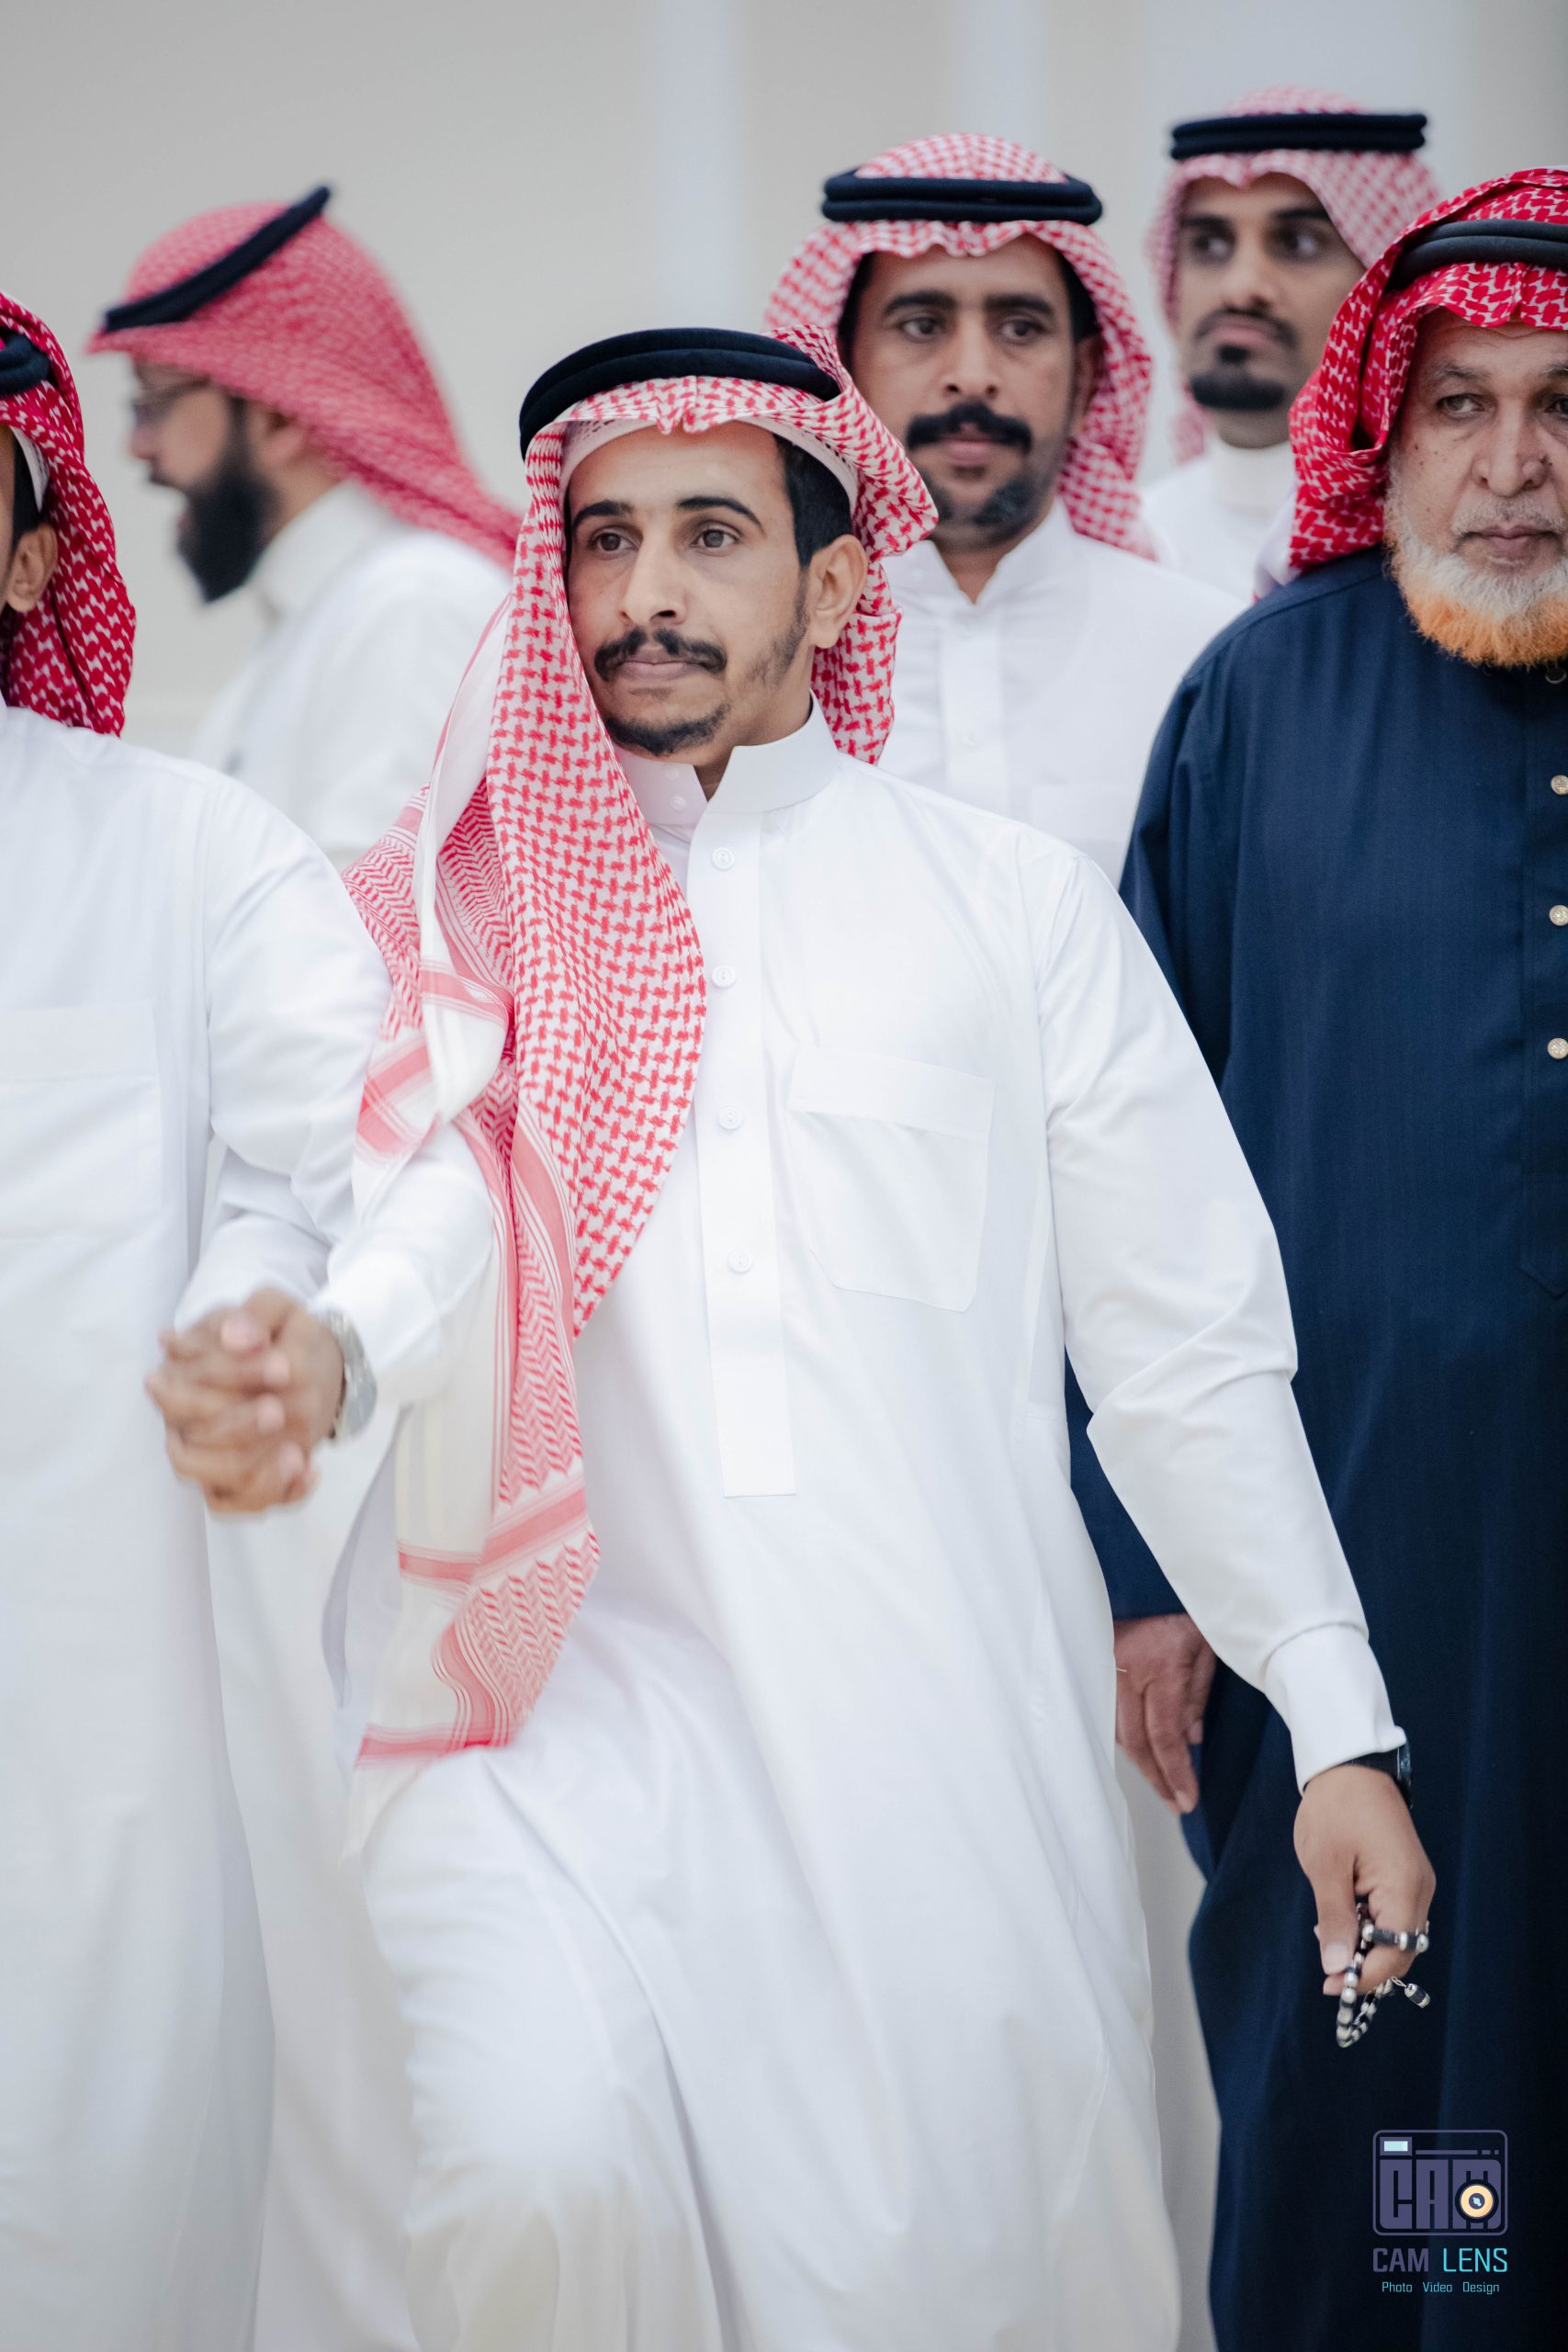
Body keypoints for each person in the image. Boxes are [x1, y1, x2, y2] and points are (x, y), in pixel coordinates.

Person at [153, 322, 1434, 2352]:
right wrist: (295, 1351)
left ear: (837, 588)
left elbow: (1184, 1353)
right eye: (602, 539)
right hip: (544, 1739)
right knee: (528, 2174)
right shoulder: (447, 925)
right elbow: (347, 1208)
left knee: (941, 2278)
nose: (643, 591)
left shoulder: (1008, 912)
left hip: (933, 1760)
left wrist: (1335, 1718)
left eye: (710, 534)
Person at [1086, 169, 1568, 2350]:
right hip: (1348, 1577)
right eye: (1460, 404)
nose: (1511, 461)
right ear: (1381, 427)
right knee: (1383, 2086)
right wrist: (1150, 1562)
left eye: (1558, 408)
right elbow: (1125, 1183)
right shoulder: (1257, 707)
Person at [0, 290, 487, 2352]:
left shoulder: (184, 860)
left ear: (32, 554)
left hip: (81, 1782)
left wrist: (321, 1337)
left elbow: (398, 1159)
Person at [764, 134, 1239, 881]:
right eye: (921, 326)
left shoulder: (1207, 656)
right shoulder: (760, 656)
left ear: (1086, 378)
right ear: (843, 366)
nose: (972, 376)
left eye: (1020, 329)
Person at [1142, 89, 1440, 598]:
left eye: (1298, 244)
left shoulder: (1456, 558)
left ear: (1387, 286)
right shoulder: (1127, 547)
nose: (1241, 287)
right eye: (1209, 244)